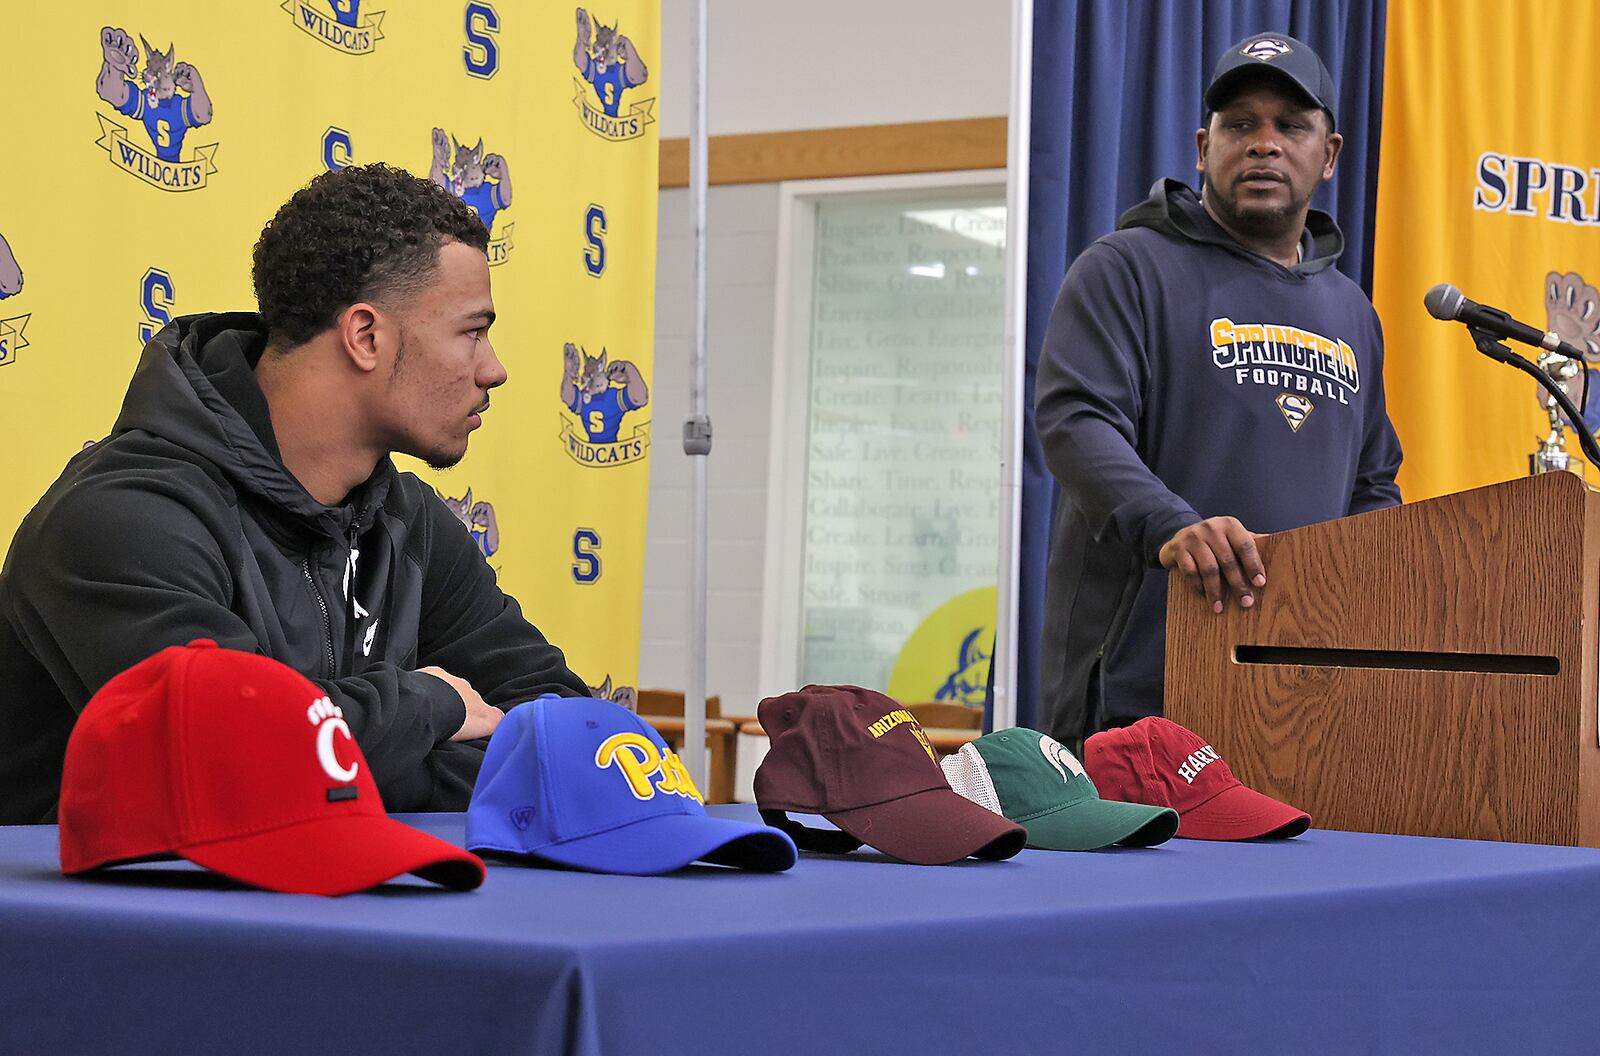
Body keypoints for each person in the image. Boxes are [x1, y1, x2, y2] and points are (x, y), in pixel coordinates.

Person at [0, 163, 590, 824]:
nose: (494, 369)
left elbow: (569, 734)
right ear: (365, 337)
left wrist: (359, 757)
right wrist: (431, 706)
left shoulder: (408, 521)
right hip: (104, 923)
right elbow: (245, 765)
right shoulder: (122, 520)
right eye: (472, 332)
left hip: (339, 904)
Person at [1036, 34, 1403, 748]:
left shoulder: (1351, 310)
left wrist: (1369, 588)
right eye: (1240, 125)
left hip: (1301, 689)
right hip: (1139, 688)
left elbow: (1373, 482)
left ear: (1328, 155)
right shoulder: (1127, 268)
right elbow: (1075, 420)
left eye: (1290, 126)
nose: (1263, 144)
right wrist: (1172, 526)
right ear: (1204, 147)